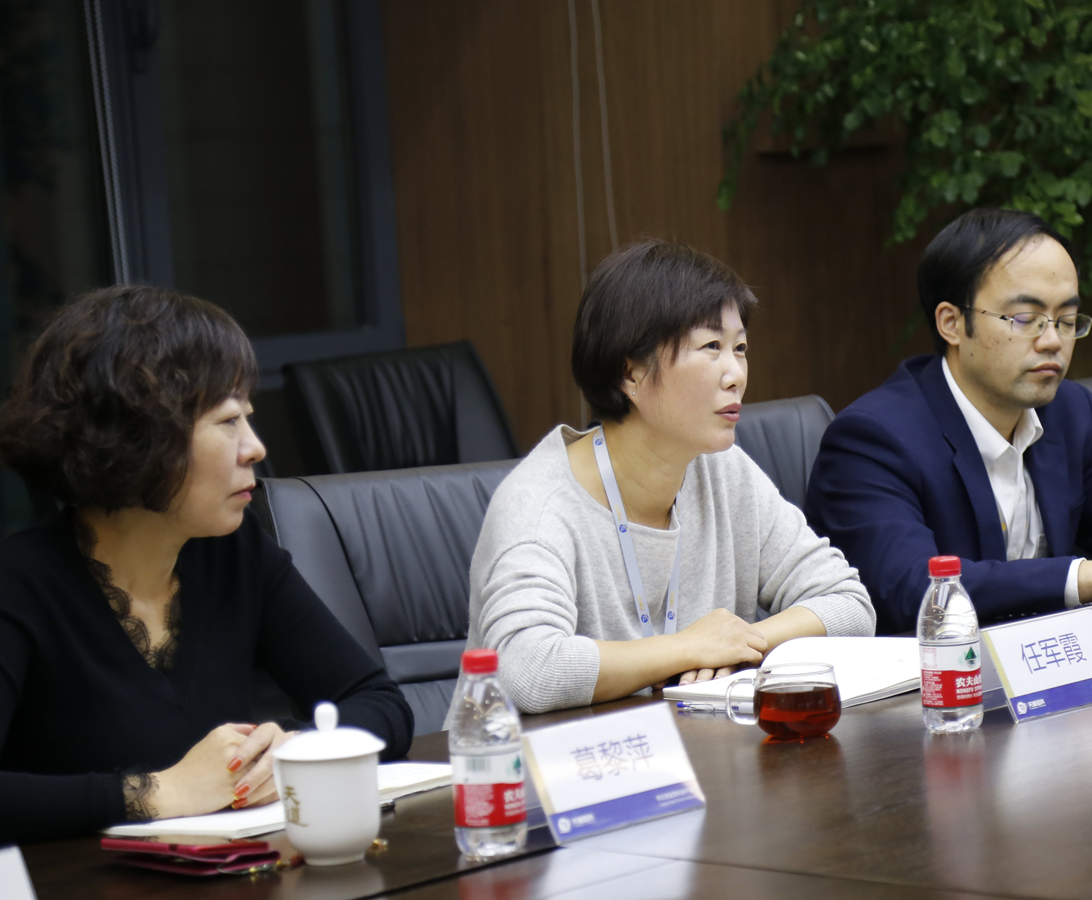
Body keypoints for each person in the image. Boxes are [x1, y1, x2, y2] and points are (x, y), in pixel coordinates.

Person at [0, 286, 413, 843]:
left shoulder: (234, 554)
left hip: (233, 872)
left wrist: (297, 750)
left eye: (249, 417)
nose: (255, 447)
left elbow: (381, 704)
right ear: (138, 438)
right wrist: (153, 794)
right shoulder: (19, 584)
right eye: (227, 421)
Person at [466, 240, 875, 714]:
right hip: (554, 758)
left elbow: (849, 604)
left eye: (740, 348)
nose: (736, 375)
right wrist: (687, 648)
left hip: (699, 748)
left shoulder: (724, 471)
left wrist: (739, 641)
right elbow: (528, 670)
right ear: (631, 375)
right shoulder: (540, 506)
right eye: (711, 347)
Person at [804, 208, 1092, 634]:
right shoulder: (873, 438)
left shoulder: (1067, 410)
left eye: (1067, 321)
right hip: (934, 672)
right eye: (1026, 319)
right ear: (952, 323)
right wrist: (1089, 578)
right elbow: (913, 588)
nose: (1052, 341)